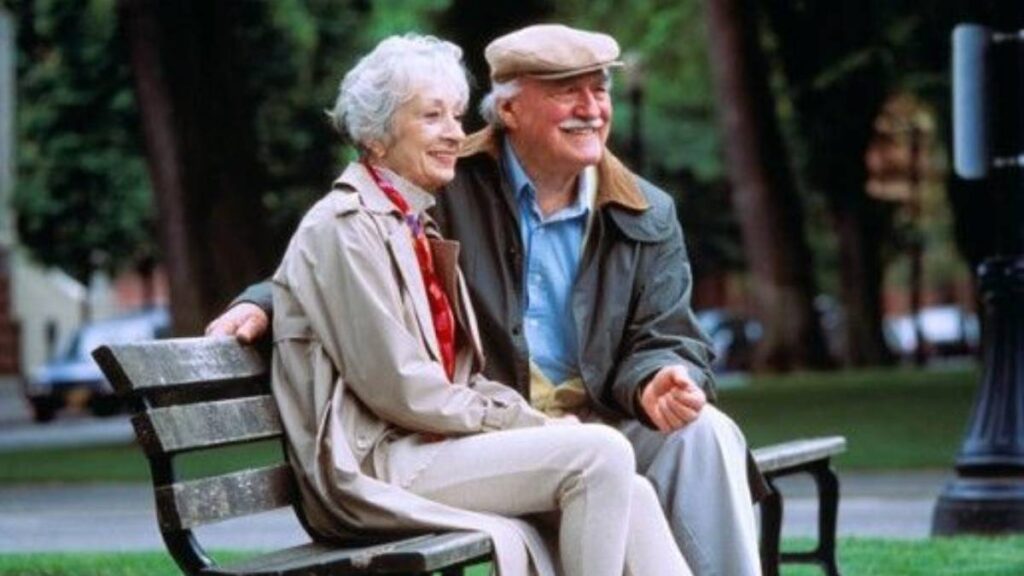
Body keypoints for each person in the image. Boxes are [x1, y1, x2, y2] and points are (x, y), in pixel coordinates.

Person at [212, 25, 765, 576]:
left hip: (579, 418)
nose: (591, 109)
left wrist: (659, 376)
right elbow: (339, 270)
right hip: (455, 435)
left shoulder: (645, 210)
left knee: (703, 436)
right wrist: (265, 301)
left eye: (600, 90)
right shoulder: (443, 186)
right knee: (602, 459)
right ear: (510, 110)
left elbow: (666, 334)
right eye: (567, 91)